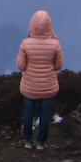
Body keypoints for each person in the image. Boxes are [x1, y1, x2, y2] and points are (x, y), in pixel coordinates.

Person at [16, 10, 64, 150]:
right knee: (45, 114)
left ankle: (28, 141)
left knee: (28, 113)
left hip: (29, 86)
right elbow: (58, 66)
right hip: (48, 86)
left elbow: (21, 66)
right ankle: (41, 143)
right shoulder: (55, 44)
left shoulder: (25, 43)